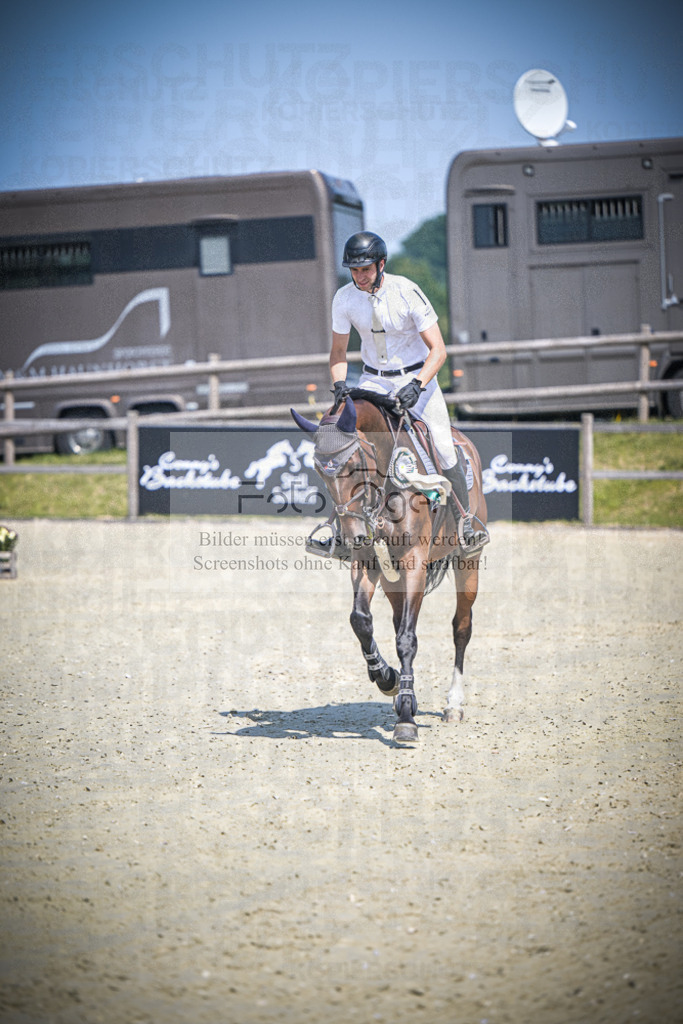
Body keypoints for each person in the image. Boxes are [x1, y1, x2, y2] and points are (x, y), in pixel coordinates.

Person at [330, 230, 488, 553]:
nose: (360, 276)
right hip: (373, 382)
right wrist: (339, 387)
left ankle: (464, 522)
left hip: (417, 376)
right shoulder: (344, 299)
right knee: (343, 443)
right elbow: (338, 354)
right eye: (355, 270)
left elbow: (439, 350)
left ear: (381, 264)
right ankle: (338, 530)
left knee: (444, 446)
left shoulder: (407, 292)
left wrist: (418, 386)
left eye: (366, 269)